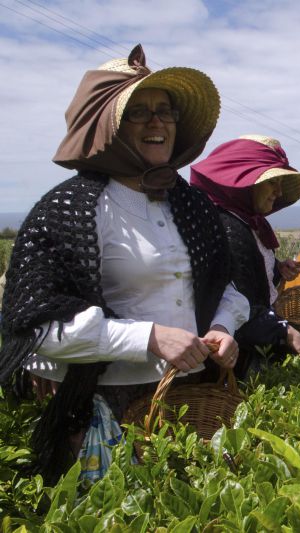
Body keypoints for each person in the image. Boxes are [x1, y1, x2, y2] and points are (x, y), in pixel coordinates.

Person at [0, 45, 249, 483]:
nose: (157, 122)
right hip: (106, 406)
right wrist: (149, 337)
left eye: (165, 111)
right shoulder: (67, 210)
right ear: (106, 127)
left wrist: (224, 328)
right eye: (138, 112)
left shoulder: (192, 205)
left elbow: (223, 288)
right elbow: (38, 329)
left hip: (193, 400)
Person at [190, 135, 300, 371]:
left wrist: (277, 269)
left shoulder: (247, 222)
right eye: (272, 182)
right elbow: (239, 301)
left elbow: (251, 276)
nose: (278, 192)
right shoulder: (227, 226)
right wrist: (284, 331)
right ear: (245, 181)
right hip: (237, 358)